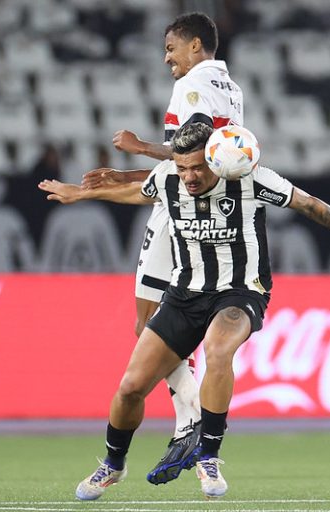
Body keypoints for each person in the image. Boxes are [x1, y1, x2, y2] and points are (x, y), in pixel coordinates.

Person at [38, 122, 330, 500]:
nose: (189, 177)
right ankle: (113, 465)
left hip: (240, 292)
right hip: (184, 295)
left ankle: (208, 457)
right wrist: (81, 194)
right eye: (182, 168)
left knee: (218, 350)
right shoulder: (168, 178)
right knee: (131, 388)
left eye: (197, 168)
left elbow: (311, 204)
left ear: (217, 159)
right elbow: (138, 192)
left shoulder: (250, 178)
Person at [82, 12, 244, 485]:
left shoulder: (192, 85)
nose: (167, 58)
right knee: (151, 323)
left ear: (195, 46)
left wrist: (139, 148)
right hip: (202, 208)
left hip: (176, 211)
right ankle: (186, 416)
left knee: (148, 322)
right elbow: (219, 153)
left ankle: (188, 417)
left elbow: (192, 155)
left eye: (171, 48)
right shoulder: (231, 88)